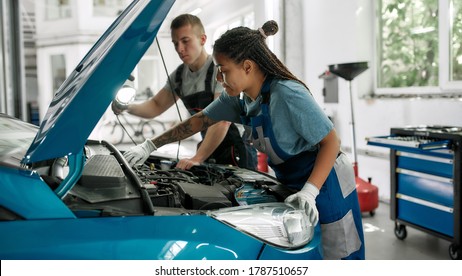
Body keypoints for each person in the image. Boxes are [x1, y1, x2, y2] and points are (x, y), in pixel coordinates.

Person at [123, 20, 365, 260]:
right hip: (294, 182)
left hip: (327, 180)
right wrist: (150, 145)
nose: (219, 78)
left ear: (247, 67)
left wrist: (310, 191)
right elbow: (198, 121)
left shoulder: (287, 93)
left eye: (223, 69)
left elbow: (331, 142)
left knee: (339, 253)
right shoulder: (239, 100)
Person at [113, 14, 256, 170]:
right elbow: (155, 105)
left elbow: (221, 120)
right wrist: (126, 107)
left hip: (237, 150)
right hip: (207, 150)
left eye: (185, 41)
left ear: (202, 39)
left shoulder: (220, 70)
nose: (180, 49)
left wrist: (197, 158)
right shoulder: (179, 77)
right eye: (175, 43)